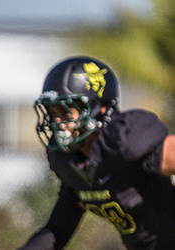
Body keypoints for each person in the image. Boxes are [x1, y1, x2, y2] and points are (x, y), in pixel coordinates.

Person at [20, 56, 175, 249]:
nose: (57, 122)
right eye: (53, 113)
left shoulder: (124, 140)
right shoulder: (71, 162)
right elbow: (55, 233)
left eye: (66, 112)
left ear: (99, 108)